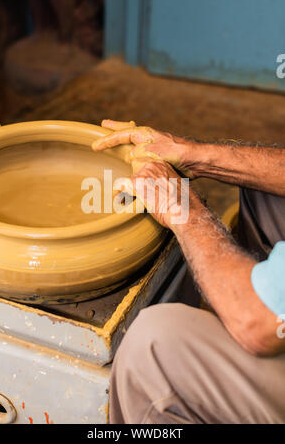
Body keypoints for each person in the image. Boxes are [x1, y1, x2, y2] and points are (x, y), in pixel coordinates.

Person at [92, 120, 285, 424]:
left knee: (154, 348)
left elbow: (258, 323)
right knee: (266, 190)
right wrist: (192, 154)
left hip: (262, 323)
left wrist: (182, 209)